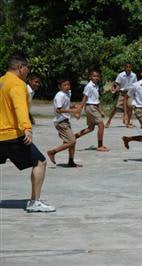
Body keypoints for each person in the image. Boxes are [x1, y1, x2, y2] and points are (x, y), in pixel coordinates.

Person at [0, 54, 55, 212]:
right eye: (27, 67)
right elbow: (20, 107)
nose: (28, 71)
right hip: (12, 135)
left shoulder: (2, 81)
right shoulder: (18, 84)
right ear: (20, 68)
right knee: (40, 162)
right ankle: (35, 202)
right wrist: (27, 128)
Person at [47, 78, 81, 167]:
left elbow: (66, 104)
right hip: (60, 122)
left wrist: (73, 106)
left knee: (71, 141)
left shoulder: (67, 93)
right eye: (64, 85)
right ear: (59, 87)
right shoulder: (60, 95)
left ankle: (71, 161)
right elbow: (59, 110)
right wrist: (71, 111)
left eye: (68, 84)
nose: (67, 86)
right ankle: (52, 152)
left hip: (65, 121)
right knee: (72, 141)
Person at [74, 70, 110, 152]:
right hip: (90, 107)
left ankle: (74, 137)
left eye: (97, 76)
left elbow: (96, 100)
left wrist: (100, 111)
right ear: (90, 77)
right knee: (101, 124)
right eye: (94, 76)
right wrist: (79, 109)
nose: (96, 78)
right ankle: (100, 145)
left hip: (94, 107)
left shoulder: (96, 86)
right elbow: (85, 98)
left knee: (91, 128)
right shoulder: (89, 86)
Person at [105, 63, 137, 128]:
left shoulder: (134, 75)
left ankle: (127, 122)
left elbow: (135, 85)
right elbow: (117, 84)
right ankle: (108, 121)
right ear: (125, 68)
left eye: (129, 67)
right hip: (122, 93)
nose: (128, 68)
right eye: (127, 67)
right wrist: (114, 90)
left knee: (130, 107)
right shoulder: (121, 75)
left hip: (129, 93)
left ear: (131, 68)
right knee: (116, 108)